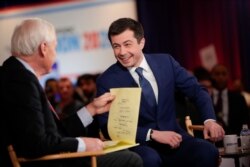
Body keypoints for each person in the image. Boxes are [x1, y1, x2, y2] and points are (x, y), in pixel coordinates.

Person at [0, 18, 143, 167]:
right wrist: (81, 144)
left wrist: (92, 109)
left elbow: (54, 132)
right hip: (50, 162)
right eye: (55, 48)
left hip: (52, 157)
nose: (55, 54)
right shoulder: (20, 80)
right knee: (131, 159)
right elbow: (35, 144)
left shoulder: (14, 73)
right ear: (43, 48)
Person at [96, 18, 225, 167]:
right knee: (150, 160)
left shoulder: (166, 62)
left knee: (207, 151)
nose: (122, 52)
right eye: (116, 46)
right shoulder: (107, 80)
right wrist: (151, 134)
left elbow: (197, 90)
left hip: (175, 138)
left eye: (127, 45)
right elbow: (107, 127)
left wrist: (209, 121)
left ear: (141, 42)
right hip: (139, 145)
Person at [210, 64, 249, 135]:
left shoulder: (239, 98)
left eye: (224, 74)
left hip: (235, 139)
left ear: (228, 76)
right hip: (213, 140)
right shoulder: (207, 98)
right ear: (212, 76)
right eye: (217, 74)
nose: (220, 77)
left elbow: (245, 121)